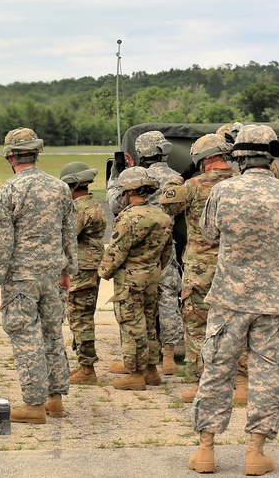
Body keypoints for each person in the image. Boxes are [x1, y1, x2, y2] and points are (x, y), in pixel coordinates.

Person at [188, 125, 279, 475]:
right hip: (273, 304)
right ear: (272, 156)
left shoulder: (223, 193)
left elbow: (208, 232)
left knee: (216, 371)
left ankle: (205, 450)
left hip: (228, 299)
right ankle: (254, 453)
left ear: (239, 158)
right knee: (267, 375)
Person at [0, 128, 77, 423]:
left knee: (26, 338)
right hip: (52, 274)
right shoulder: (59, 188)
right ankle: (55, 399)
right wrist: (67, 269)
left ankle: (34, 405)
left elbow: (2, 241)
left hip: (21, 278)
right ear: (37, 152)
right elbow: (68, 234)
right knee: (52, 335)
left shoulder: (9, 191)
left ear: (10, 156)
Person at [159, 133, 247, 405]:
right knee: (239, 323)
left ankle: (203, 385)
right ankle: (242, 384)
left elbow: (167, 202)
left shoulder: (194, 186)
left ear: (203, 158)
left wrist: (180, 177)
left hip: (201, 268)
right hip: (237, 266)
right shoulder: (242, 184)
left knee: (198, 324)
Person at [105, 130, 183, 376]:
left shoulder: (138, 178)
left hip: (134, 248)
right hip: (164, 244)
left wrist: (114, 177)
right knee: (168, 297)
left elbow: (117, 204)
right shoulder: (177, 178)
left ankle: (136, 359)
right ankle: (169, 356)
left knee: (132, 304)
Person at [98, 167, 173, 390]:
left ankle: (135, 374)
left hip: (130, 279)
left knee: (131, 325)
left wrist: (103, 272)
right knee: (149, 323)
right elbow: (167, 251)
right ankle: (151, 370)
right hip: (152, 275)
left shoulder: (129, 217)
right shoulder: (163, 216)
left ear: (129, 192)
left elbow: (117, 251)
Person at [59, 162, 108, 384]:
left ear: (72, 185)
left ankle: (87, 369)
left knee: (80, 317)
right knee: (83, 315)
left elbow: (67, 237)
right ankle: (84, 365)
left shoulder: (79, 209)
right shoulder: (94, 205)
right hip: (90, 265)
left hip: (81, 268)